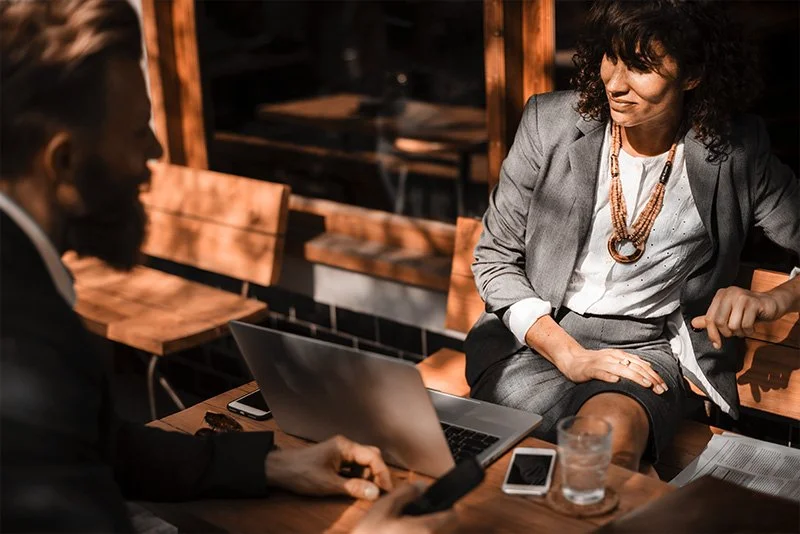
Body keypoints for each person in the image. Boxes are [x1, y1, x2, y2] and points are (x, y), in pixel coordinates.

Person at [0, 2, 456, 533]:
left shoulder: (24, 283)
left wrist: (269, 464)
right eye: (135, 132)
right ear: (63, 162)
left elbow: (100, 444)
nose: (154, 152)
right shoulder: (23, 343)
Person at [466, 0, 800, 474]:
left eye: (641, 68)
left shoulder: (734, 151)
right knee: (522, 468)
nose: (615, 83)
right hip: (538, 341)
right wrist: (571, 355)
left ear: (692, 75)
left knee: (603, 455)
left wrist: (775, 300)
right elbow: (494, 258)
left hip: (642, 350)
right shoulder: (550, 123)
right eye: (611, 58)